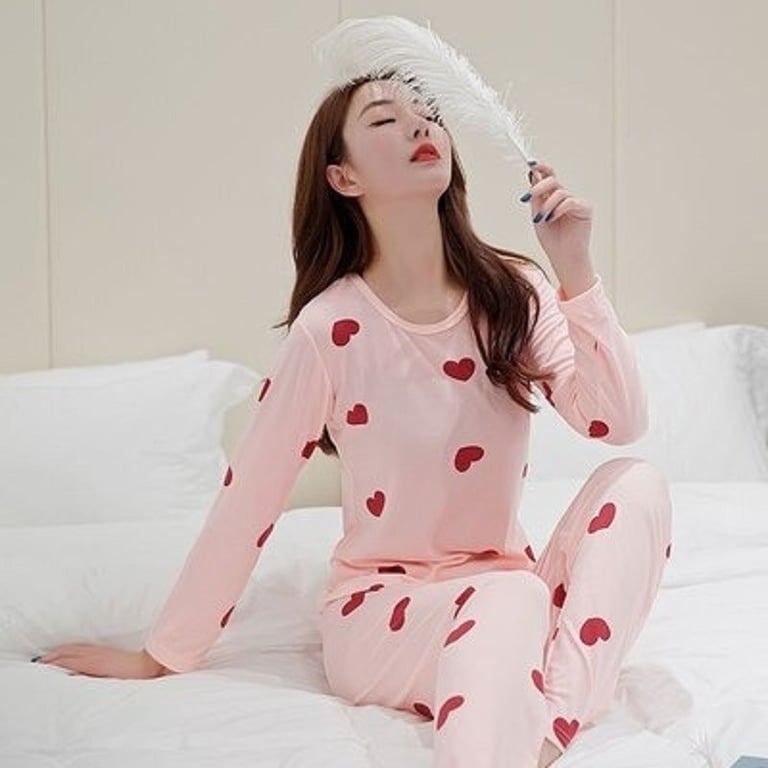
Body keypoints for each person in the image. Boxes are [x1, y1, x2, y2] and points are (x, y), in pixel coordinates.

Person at [34, 73, 672, 768]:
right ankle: (526, 733)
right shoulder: (330, 328)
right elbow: (250, 498)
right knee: (509, 599)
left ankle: (542, 736)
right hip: (383, 613)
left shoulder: (513, 295)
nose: (420, 126)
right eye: (385, 120)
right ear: (343, 177)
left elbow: (617, 420)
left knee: (634, 485)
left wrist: (574, 267)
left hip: (509, 594)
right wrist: (162, 655)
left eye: (427, 114)